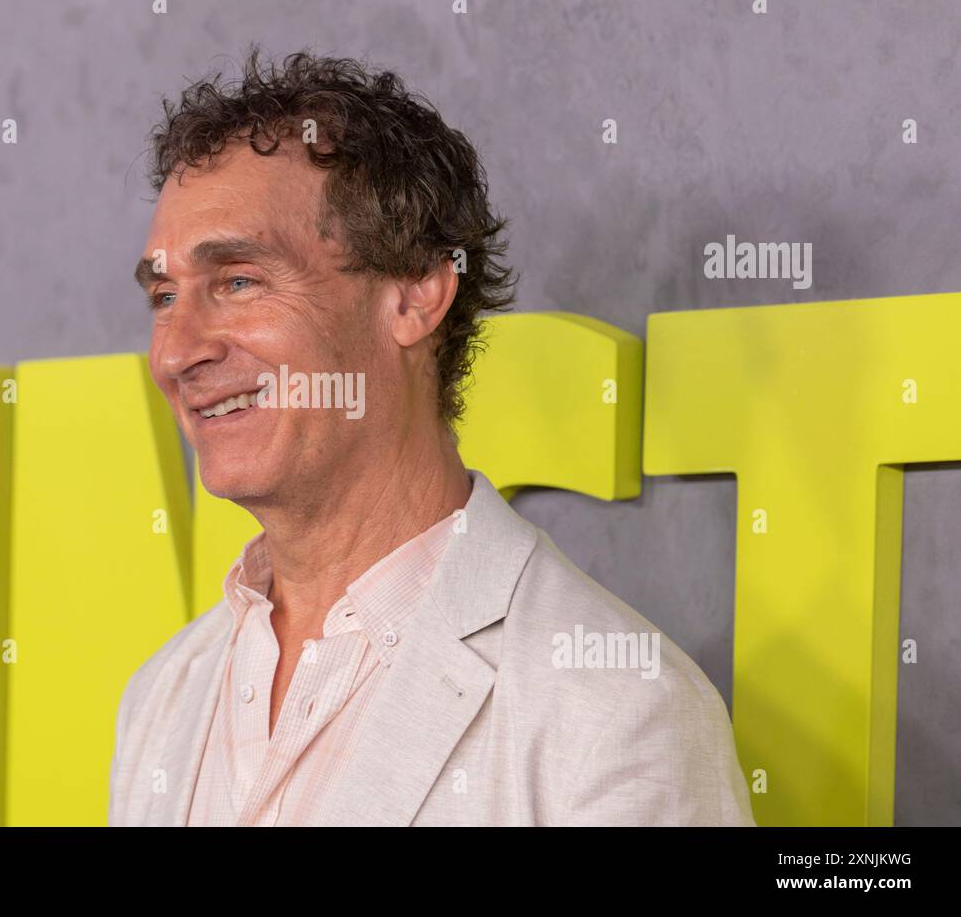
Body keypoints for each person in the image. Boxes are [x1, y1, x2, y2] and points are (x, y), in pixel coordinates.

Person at [109, 48, 754, 826]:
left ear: (415, 293)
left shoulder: (615, 717)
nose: (176, 351)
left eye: (238, 281)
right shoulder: (161, 697)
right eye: (166, 295)